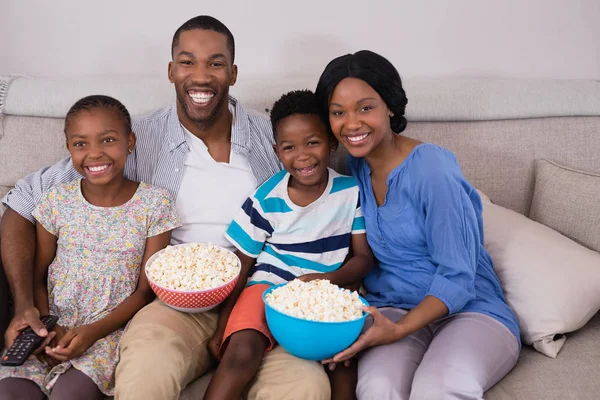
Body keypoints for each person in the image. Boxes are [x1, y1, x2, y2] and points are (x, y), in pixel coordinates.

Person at [1, 15, 331, 400]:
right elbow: (23, 201)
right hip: (172, 306)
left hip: (263, 296)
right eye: (188, 62)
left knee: (305, 387)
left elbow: (329, 195)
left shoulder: (274, 137)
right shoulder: (131, 139)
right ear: (171, 70)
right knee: (145, 373)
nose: (201, 76)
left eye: (216, 63)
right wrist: (24, 304)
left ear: (234, 73)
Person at [314, 50, 521, 400]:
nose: (352, 124)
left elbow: (458, 274)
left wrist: (398, 330)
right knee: (377, 389)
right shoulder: (353, 169)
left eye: (366, 108)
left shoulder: (431, 169)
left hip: (470, 310)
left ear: (390, 107)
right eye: (338, 112)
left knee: (438, 389)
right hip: (392, 307)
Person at [0, 95, 180, 399]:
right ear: (68, 147)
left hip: (106, 333)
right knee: (12, 392)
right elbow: (38, 275)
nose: (94, 154)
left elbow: (144, 292)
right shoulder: (56, 202)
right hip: (52, 327)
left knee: (71, 394)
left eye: (108, 140)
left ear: (130, 141)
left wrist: (91, 333)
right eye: (80, 144)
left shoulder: (155, 204)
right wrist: (47, 328)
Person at [203, 90, 373, 400]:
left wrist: (326, 281)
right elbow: (244, 265)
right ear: (277, 152)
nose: (303, 156)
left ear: (332, 143)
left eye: (313, 142)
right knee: (241, 352)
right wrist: (222, 325)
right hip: (267, 286)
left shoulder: (350, 192)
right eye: (289, 147)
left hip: (327, 293)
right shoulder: (267, 198)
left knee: (345, 363)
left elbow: (363, 258)